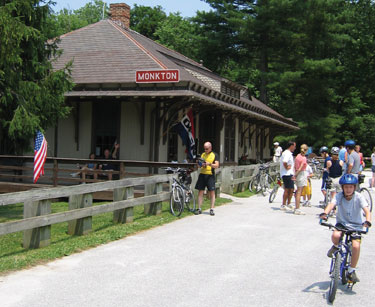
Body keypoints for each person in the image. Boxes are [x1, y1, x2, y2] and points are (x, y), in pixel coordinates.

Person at [320, 174, 371, 283]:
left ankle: (351, 270)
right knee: (335, 235)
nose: (348, 189)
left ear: (354, 187)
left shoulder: (359, 197)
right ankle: (335, 246)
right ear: (342, 188)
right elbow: (331, 204)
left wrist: (367, 221)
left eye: (351, 187)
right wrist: (325, 213)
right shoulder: (339, 196)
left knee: (356, 246)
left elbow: (367, 210)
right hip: (342, 223)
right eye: (346, 187)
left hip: (356, 225)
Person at [195, 142, 219, 216]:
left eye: (207, 149)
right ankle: (199, 209)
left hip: (210, 175)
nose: (205, 150)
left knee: (212, 192)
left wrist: (210, 164)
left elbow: (217, 165)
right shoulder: (202, 155)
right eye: (204, 148)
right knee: (200, 192)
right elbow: (198, 166)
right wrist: (199, 164)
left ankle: (211, 209)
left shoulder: (214, 155)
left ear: (210, 148)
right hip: (202, 174)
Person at [280, 141, 296, 212]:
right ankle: (283, 204)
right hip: (286, 173)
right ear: (291, 146)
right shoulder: (287, 153)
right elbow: (284, 162)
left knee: (291, 189)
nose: (295, 148)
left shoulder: (289, 153)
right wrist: (286, 167)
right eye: (294, 146)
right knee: (287, 189)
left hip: (289, 173)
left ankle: (288, 203)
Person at [294, 144, 308, 215]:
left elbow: (295, 166)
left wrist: (295, 174)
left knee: (297, 191)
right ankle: (297, 208)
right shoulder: (303, 158)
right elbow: (301, 167)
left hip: (297, 173)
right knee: (299, 192)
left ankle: (296, 206)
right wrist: (296, 174)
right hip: (301, 173)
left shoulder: (297, 156)